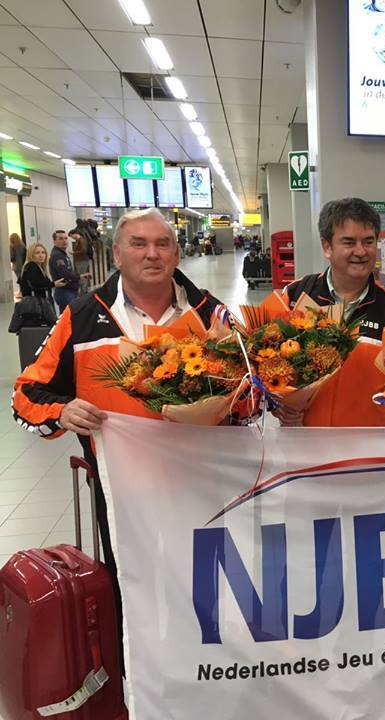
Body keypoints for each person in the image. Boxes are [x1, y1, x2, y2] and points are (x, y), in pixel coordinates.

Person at [12, 208, 225, 660]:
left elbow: (250, 390)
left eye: (162, 244)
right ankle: (142, 685)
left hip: (206, 489)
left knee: (209, 593)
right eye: (139, 244)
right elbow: (26, 394)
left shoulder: (210, 313)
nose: (152, 254)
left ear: (177, 251)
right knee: (134, 592)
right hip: (122, 495)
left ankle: (210, 680)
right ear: (116, 253)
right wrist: (62, 410)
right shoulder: (83, 316)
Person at [279, 197, 385, 426]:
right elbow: (268, 366)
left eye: (369, 241)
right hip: (306, 443)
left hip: (371, 449)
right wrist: (279, 404)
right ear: (327, 246)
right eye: (349, 242)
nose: (361, 251)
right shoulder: (296, 296)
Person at [49, 230, 85, 313]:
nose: (64, 241)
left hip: (68, 290)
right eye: (60, 239)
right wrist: (78, 277)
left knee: (67, 318)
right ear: (54, 241)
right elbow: (65, 273)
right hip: (65, 291)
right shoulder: (57, 255)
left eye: (65, 238)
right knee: (70, 317)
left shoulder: (62, 254)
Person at [70, 228, 92, 293]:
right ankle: (83, 291)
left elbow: (84, 250)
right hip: (80, 260)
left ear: (75, 234)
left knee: (83, 276)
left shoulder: (81, 240)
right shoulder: (79, 240)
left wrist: (74, 253)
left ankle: (84, 291)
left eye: (71, 236)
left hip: (82, 260)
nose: (72, 238)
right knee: (82, 275)